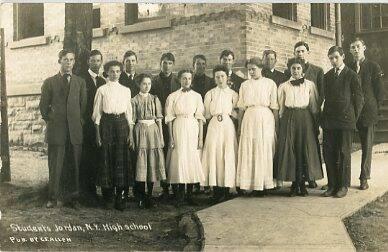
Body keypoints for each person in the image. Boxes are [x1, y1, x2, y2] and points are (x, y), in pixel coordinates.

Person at [39, 49, 87, 208]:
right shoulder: (49, 82)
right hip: (57, 131)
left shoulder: (80, 82)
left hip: (74, 131)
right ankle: (52, 197)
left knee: (75, 164)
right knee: (55, 164)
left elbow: (83, 106)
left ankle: (74, 198)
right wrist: (54, 120)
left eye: (71, 60)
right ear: (59, 61)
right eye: (65, 59)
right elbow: (44, 108)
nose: (68, 63)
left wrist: (76, 122)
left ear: (74, 62)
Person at [276, 58, 323, 197]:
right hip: (289, 118)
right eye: (293, 68)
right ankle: (293, 183)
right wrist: (281, 124)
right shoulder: (283, 86)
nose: (296, 71)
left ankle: (302, 184)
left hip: (305, 118)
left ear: (302, 70)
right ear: (289, 70)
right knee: (291, 149)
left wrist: (315, 124)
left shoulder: (310, 85)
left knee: (303, 148)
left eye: (298, 68)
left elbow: (314, 106)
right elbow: (281, 106)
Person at [321, 46, 364, 198]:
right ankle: (332, 185)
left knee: (344, 153)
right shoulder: (327, 77)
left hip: (346, 121)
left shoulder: (351, 75)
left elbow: (359, 100)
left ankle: (343, 185)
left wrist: (353, 117)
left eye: (336, 57)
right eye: (331, 58)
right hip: (330, 121)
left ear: (343, 56)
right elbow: (324, 99)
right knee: (329, 153)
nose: (333, 61)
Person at [92, 60, 135, 210]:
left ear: (121, 72)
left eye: (117, 71)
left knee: (121, 159)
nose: (115, 74)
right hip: (107, 124)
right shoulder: (102, 90)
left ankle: (121, 196)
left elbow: (129, 114)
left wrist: (130, 133)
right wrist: (97, 135)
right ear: (107, 73)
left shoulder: (126, 90)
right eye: (112, 71)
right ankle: (108, 196)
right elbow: (97, 114)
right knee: (107, 158)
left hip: (122, 124)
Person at [236, 57, 279, 196]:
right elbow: (241, 108)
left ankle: (266, 184)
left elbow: (275, 107)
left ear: (261, 68)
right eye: (249, 70)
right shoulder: (244, 85)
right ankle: (252, 183)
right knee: (251, 149)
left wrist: (276, 126)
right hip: (249, 118)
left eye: (254, 69)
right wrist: (239, 126)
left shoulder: (270, 83)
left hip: (265, 118)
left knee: (264, 148)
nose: (251, 72)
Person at [285, 41, 324, 189]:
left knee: (310, 146)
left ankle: (311, 176)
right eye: (297, 51)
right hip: (293, 114)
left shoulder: (317, 70)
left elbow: (319, 96)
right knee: (295, 146)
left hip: (309, 113)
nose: (300, 54)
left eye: (302, 51)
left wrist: (317, 119)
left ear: (307, 52)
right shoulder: (289, 72)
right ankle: (296, 178)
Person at [165, 69, 205, 207]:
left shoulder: (197, 96)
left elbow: (200, 118)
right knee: (179, 158)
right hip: (179, 128)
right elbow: (169, 119)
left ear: (191, 80)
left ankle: (190, 194)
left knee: (191, 159)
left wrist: (200, 138)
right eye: (184, 78)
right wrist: (171, 138)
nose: (187, 81)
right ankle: (179, 195)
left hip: (192, 128)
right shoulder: (173, 96)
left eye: (189, 78)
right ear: (179, 80)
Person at [349, 37, 385, 190]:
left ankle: (364, 177)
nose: (356, 50)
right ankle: (343, 179)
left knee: (367, 146)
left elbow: (380, 91)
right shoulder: (348, 67)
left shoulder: (373, 67)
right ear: (350, 51)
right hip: (350, 112)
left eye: (358, 46)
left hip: (367, 112)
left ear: (364, 48)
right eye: (352, 47)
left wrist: (374, 107)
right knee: (345, 146)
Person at [201, 65, 238, 203]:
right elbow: (206, 113)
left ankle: (226, 189)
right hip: (214, 125)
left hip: (227, 126)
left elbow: (236, 112)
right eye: (217, 77)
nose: (220, 79)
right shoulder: (210, 94)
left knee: (227, 154)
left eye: (222, 76)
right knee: (215, 155)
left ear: (227, 77)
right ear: (214, 78)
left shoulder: (233, 94)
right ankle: (216, 190)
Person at [132, 73, 166, 209]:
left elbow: (159, 119)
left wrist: (162, 137)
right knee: (141, 162)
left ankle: (150, 195)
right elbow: (132, 120)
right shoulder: (134, 100)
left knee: (152, 162)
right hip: (140, 130)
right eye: (144, 84)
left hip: (153, 131)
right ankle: (140, 196)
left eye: (149, 84)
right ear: (139, 84)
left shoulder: (155, 99)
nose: (147, 86)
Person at [150, 52, 180, 201]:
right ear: (160, 63)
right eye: (164, 63)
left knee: (174, 151)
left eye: (169, 63)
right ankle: (164, 187)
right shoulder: (154, 81)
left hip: (175, 121)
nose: (167, 66)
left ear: (173, 65)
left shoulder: (178, 81)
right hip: (159, 121)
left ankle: (175, 185)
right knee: (162, 152)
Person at [80, 49, 106, 200]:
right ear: (88, 62)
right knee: (87, 156)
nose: (96, 63)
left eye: (98, 60)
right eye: (93, 60)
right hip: (86, 124)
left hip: (100, 125)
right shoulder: (82, 79)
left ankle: (95, 190)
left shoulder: (103, 81)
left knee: (98, 156)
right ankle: (87, 191)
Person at [191, 54, 215, 194]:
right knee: (194, 151)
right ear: (193, 65)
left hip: (206, 121)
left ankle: (205, 183)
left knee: (205, 150)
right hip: (191, 120)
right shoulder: (189, 80)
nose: (200, 66)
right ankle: (194, 182)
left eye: (203, 64)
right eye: (198, 64)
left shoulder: (211, 81)